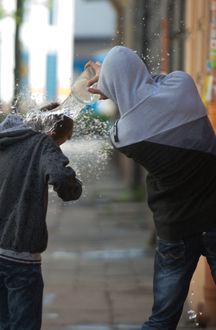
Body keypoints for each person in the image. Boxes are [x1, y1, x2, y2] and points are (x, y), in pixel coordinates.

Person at [87, 45, 216, 329]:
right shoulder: (183, 87)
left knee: (162, 319)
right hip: (214, 214)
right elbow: (156, 81)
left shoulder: (124, 135)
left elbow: (133, 98)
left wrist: (111, 85)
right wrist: (122, 78)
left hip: (175, 226)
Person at [0, 106, 82, 330]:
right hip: (20, 254)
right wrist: (73, 189)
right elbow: (63, 179)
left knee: (6, 325)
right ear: (54, 133)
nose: (60, 146)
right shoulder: (42, 144)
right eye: (62, 141)